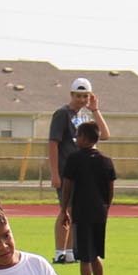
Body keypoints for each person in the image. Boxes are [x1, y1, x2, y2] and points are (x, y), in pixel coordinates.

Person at [47, 78, 110, 263]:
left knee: (77, 213)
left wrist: (95, 110)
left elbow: (104, 135)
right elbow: (53, 144)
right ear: (71, 95)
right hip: (67, 170)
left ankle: (71, 251)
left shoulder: (84, 116)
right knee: (66, 210)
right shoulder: (62, 114)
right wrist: (55, 173)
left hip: (84, 172)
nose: (82, 99)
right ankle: (60, 250)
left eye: (85, 96)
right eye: (79, 96)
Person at [58, 122, 116, 275]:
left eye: (78, 136)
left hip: (82, 211)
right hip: (100, 211)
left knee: (84, 256)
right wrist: (106, 206)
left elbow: (67, 185)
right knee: (97, 254)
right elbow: (110, 188)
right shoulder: (106, 161)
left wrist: (64, 209)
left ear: (83, 138)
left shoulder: (74, 159)